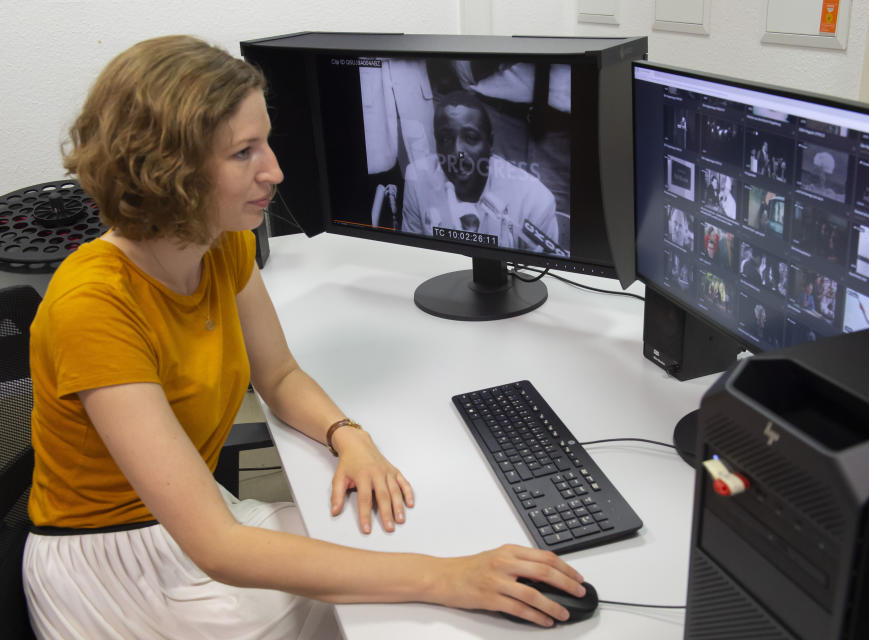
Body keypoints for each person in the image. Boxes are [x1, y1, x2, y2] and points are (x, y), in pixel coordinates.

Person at [23, 36, 586, 639]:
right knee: (381, 608)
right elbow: (217, 547)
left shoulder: (219, 239)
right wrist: (444, 577)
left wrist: (350, 437)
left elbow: (280, 375)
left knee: (362, 546)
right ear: (169, 170)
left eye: (265, 141)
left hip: (190, 518)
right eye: (244, 153)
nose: (275, 171)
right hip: (111, 558)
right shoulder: (94, 305)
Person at [401, 90, 564, 255]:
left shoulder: (534, 201)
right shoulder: (417, 180)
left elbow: (537, 274)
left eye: (471, 138)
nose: (458, 152)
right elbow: (415, 258)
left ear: (490, 143)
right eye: (445, 139)